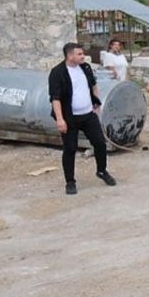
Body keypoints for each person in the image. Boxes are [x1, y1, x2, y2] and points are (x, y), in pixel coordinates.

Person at [48, 42, 118, 195]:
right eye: (79, 54)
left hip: (88, 115)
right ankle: (70, 181)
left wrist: (96, 102)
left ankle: (101, 171)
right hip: (69, 117)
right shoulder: (58, 72)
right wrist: (60, 119)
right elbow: (55, 98)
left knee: (100, 143)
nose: (83, 56)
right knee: (70, 149)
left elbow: (93, 85)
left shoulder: (85, 68)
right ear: (70, 55)